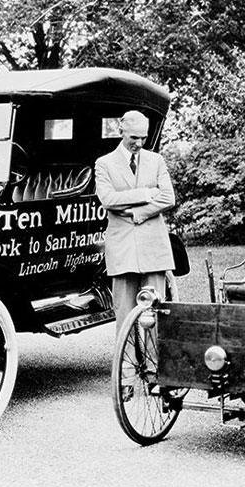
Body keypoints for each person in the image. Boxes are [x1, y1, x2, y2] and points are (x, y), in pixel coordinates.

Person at [95, 110, 176, 333]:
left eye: (143, 138)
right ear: (121, 131)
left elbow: (169, 198)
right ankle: (127, 368)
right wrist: (146, 194)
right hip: (122, 247)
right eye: (134, 138)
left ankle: (153, 367)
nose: (139, 143)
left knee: (154, 311)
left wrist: (135, 213)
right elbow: (108, 199)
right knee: (124, 314)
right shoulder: (104, 164)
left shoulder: (156, 160)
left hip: (153, 246)